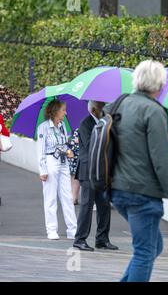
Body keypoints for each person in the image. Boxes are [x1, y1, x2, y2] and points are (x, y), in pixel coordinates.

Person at [107, 60, 168, 282]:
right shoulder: (153, 111)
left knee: (153, 246)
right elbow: (162, 160)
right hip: (142, 193)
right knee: (144, 252)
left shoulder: (118, 104)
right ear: (160, 85)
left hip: (117, 189)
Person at [73, 101, 118, 252]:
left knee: (104, 204)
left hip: (101, 170)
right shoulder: (85, 123)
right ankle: (80, 239)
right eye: (101, 106)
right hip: (87, 170)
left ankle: (102, 239)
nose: (104, 108)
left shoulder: (104, 122)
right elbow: (90, 144)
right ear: (94, 109)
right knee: (86, 205)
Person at [36, 100, 78, 240]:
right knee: (50, 198)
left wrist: (68, 151)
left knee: (67, 197)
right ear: (54, 111)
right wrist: (43, 170)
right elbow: (40, 150)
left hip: (63, 162)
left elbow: (64, 144)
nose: (65, 113)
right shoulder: (43, 128)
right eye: (63, 110)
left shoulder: (62, 126)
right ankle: (52, 230)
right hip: (50, 163)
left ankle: (72, 230)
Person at [67, 128, 80, 205]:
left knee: (76, 175)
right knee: (73, 174)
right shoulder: (65, 125)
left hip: (79, 150)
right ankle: (74, 197)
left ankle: (74, 197)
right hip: (71, 150)